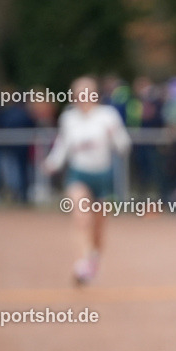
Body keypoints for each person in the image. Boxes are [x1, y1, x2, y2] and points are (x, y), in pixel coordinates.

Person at [42, 75, 130, 286]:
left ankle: (93, 259)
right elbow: (63, 145)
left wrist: (114, 136)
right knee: (81, 218)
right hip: (79, 174)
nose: (83, 97)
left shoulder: (108, 116)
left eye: (87, 92)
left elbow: (124, 145)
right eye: (79, 93)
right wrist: (52, 163)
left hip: (103, 176)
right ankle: (81, 262)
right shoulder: (69, 118)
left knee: (99, 228)